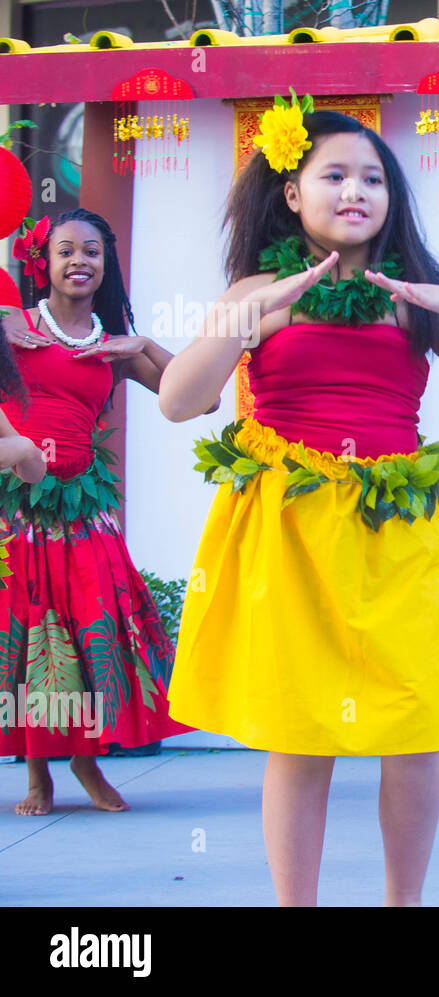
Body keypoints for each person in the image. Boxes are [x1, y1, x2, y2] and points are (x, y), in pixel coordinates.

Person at [158, 103, 439, 906]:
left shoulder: (413, 298)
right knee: (303, 734)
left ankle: (405, 901)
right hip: (289, 530)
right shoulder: (261, 287)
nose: (356, 190)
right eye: (333, 174)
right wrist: (251, 313)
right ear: (292, 193)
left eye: (372, 178)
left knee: (415, 725)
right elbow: (177, 399)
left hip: (390, 531)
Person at [1, 208, 189, 816]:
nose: (79, 260)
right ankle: (37, 776)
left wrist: (144, 345)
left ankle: (86, 760)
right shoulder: (14, 326)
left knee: (94, 625)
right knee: (33, 630)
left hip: (84, 504)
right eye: (65, 250)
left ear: (106, 266)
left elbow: (200, 400)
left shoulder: (113, 347)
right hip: (19, 508)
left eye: (92, 252)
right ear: (44, 262)